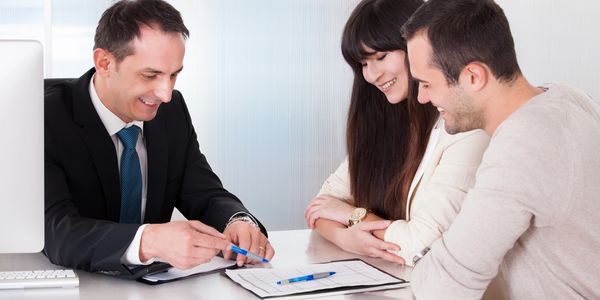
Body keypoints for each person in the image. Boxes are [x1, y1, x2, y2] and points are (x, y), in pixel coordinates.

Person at [44, 0, 274, 278]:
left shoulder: (171, 110)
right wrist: (150, 241)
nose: (165, 94)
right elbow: (55, 230)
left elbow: (204, 193)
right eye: (150, 75)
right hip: (68, 285)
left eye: (174, 75)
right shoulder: (46, 116)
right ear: (104, 63)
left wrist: (238, 221)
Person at [402, 0, 600, 298]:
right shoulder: (567, 99)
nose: (421, 97)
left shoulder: (526, 141)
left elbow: (443, 288)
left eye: (427, 83)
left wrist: (430, 256)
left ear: (472, 76)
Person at [304, 0, 488, 265]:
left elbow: (421, 246)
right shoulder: (387, 125)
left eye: (380, 57)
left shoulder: (465, 129)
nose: (372, 75)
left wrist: (353, 217)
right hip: (385, 281)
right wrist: (346, 238)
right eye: (363, 63)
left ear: (419, 49)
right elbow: (321, 205)